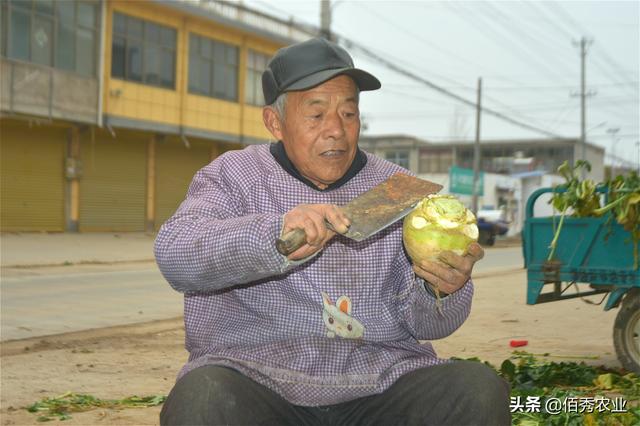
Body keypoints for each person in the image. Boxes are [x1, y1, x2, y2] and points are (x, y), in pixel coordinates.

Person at [155, 37, 510, 425]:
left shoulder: (397, 190)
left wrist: (440, 288)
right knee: (202, 398)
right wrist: (273, 234)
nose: (336, 131)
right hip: (257, 378)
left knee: (477, 389)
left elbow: (430, 326)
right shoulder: (233, 176)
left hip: (378, 383)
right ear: (275, 122)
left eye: (348, 113)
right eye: (316, 114)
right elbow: (177, 255)